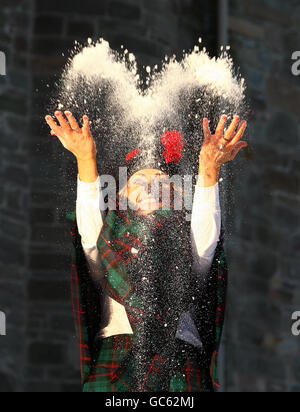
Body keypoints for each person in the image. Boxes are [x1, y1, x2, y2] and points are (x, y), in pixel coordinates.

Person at [45, 111, 247, 392]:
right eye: (137, 183)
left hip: (181, 371)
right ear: (118, 199)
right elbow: (89, 234)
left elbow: (205, 238)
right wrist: (85, 159)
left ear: (179, 200)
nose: (151, 187)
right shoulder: (106, 246)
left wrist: (209, 167)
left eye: (163, 183)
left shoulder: (188, 242)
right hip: (115, 367)